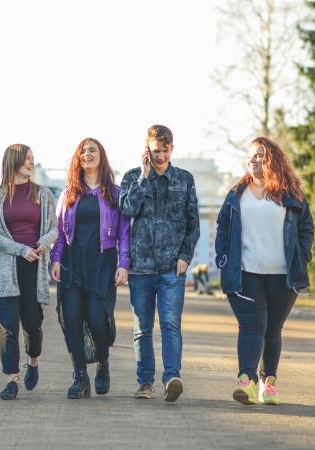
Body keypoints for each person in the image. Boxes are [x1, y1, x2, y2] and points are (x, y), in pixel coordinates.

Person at [215, 136, 314, 406]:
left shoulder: (290, 193)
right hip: (245, 272)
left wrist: (303, 256)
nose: (253, 160)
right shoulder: (236, 194)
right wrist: (223, 258)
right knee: (252, 325)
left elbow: (306, 227)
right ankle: (246, 383)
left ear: (272, 159)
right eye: (250, 155)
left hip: (283, 275)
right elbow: (223, 227)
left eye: (259, 155)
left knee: (273, 330)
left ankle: (268, 386)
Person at [120, 124, 200, 402]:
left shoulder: (185, 180)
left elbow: (193, 223)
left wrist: (185, 257)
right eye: (156, 151)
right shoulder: (132, 177)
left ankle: (171, 378)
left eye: (165, 150)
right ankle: (145, 383)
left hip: (171, 268)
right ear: (147, 150)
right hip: (140, 268)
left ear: (172, 149)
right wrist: (144, 178)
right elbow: (127, 209)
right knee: (142, 329)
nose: (161, 156)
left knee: (170, 324)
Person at [50, 138, 130, 399]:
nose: (87, 154)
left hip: (102, 263)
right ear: (78, 159)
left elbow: (124, 232)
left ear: (101, 157)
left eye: (92, 150)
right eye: (82, 151)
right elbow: (59, 232)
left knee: (97, 319)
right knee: (71, 318)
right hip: (72, 263)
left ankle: (103, 362)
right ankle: (80, 376)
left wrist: (124, 263)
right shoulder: (69, 193)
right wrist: (56, 259)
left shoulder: (114, 193)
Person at [0, 144, 57, 400]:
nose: (31, 163)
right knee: (7, 325)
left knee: (33, 325)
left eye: (32, 159)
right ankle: (11, 380)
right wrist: (20, 249)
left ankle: (33, 361)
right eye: (27, 158)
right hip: (6, 268)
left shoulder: (43, 193)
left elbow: (53, 228)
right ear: (13, 161)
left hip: (34, 267)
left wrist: (42, 244)